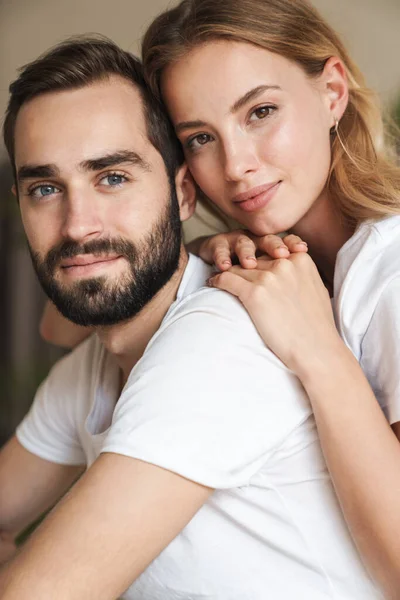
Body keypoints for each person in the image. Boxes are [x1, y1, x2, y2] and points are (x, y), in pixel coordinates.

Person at [0, 37, 382, 600]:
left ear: (182, 194)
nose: (78, 225)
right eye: (46, 188)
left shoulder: (219, 343)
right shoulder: (92, 368)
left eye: (112, 177)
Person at [140, 0, 400, 595]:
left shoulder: (390, 274)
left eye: (260, 111)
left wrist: (317, 348)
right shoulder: (282, 260)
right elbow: (63, 323)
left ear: (332, 91)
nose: (237, 166)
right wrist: (200, 249)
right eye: (201, 138)